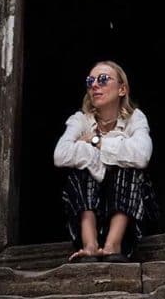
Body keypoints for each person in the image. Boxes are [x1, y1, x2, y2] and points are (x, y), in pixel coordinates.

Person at [53, 60, 157, 262]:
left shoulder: (135, 118)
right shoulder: (79, 120)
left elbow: (142, 156)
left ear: (122, 89)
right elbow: (60, 155)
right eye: (90, 80)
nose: (94, 85)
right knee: (82, 166)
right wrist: (99, 154)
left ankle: (113, 245)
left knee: (127, 164)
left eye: (103, 79)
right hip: (90, 212)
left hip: (131, 218)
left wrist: (95, 141)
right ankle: (89, 244)